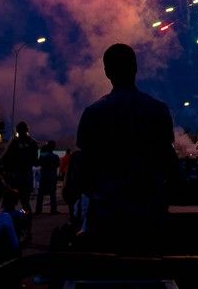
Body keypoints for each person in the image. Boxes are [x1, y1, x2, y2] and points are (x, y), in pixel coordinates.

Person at [75, 43, 176, 252]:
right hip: (148, 217)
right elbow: (170, 166)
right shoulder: (158, 110)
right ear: (135, 68)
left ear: (107, 72)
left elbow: (83, 173)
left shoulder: (93, 113)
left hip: (106, 216)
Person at [1, 121, 39, 213]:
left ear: (17, 130)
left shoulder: (14, 142)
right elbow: (35, 161)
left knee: (10, 202)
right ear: (27, 130)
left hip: (14, 176)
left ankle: (11, 219)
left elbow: (4, 158)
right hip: (27, 176)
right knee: (25, 202)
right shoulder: (33, 143)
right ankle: (26, 218)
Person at [36, 140, 60, 214]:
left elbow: (38, 163)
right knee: (52, 193)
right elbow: (57, 165)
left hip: (44, 176)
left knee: (40, 193)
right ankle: (53, 210)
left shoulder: (42, 156)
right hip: (52, 176)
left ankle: (38, 210)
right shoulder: (55, 157)